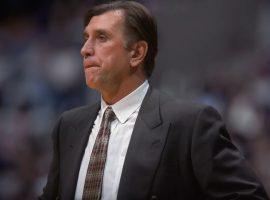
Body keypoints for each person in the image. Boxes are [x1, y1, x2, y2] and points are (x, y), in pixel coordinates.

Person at [40, 1, 269, 199]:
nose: (85, 49)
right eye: (86, 38)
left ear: (137, 53)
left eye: (101, 37)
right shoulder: (68, 125)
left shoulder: (189, 124)